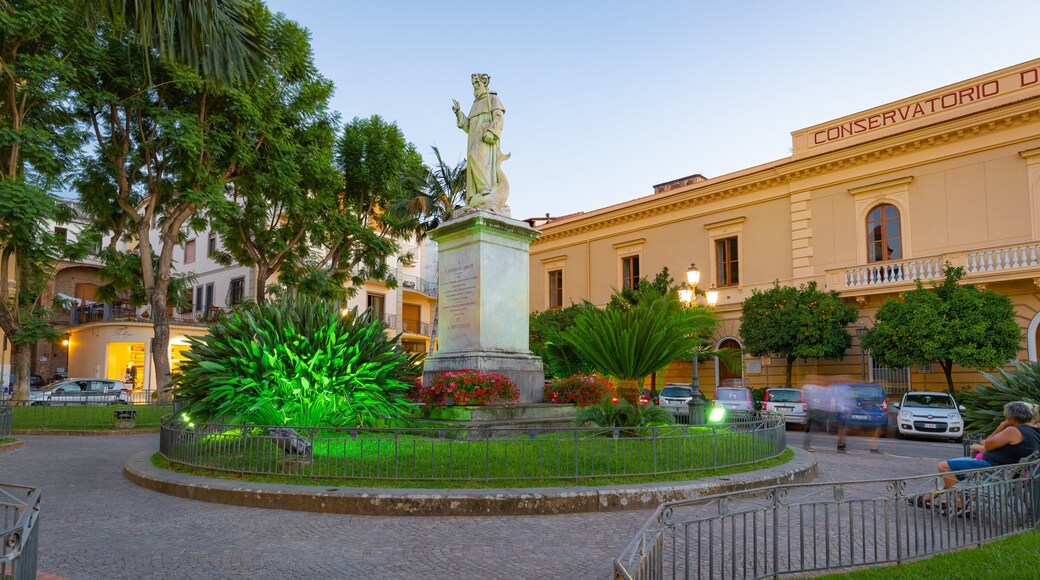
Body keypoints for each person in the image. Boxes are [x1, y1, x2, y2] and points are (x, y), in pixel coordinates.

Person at [917, 401, 1040, 512]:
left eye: (1006, 418)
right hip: (1004, 471)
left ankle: (961, 504)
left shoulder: (1013, 431)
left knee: (944, 467)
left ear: (1012, 419)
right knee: (951, 471)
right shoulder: (1034, 431)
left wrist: (1000, 428)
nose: (1005, 420)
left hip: (992, 471)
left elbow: (988, 445)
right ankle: (928, 498)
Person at [452, 73, 511, 216]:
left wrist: (492, 131)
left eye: (477, 83)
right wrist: (459, 113)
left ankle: (486, 189)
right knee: (473, 159)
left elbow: (499, 117)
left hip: (486, 137)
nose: (475, 86)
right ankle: (478, 193)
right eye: (473, 84)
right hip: (474, 137)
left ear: (484, 84)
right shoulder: (475, 104)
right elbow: (467, 126)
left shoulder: (493, 99)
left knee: (476, 156)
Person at [802, 375, 831, 452]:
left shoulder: (810, 387)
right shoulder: (809, 387)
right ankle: (807, 445)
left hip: (814, 410)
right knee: (812, 427)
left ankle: (807, 444)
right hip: (813, 410)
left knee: (811, 427)